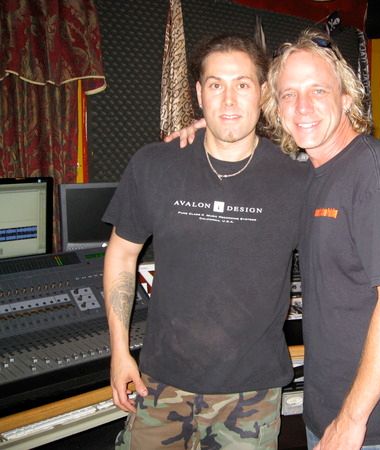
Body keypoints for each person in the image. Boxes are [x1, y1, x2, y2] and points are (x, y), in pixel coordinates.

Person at [103, 33, 307, 450]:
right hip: (159, 383)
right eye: (216, 85)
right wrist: (119, 351)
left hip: (250, 394)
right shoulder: (155, 165)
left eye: (242, 84)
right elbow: (121, 254)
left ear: (263, 93)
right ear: (199, 94)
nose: (229, 100)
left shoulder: (297, 180)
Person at [261, 30, 380, 449]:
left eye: (318, 90)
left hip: (377, 424)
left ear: (346, 98)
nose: (302, 106)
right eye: (288, 94)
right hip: (331, 407)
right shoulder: (317, 173)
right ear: (276, 108)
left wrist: (351, 419)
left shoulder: (378, 175)